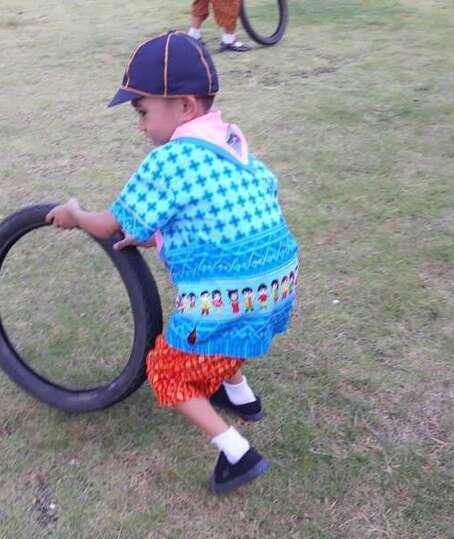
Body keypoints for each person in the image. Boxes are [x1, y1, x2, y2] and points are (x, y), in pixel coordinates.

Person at [46, 31, 298, 494]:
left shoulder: (171, 159)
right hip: (276, 280)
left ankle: (236, 454)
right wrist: (153, 237)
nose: (140, 126)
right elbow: (212, 216)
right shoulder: (232, 143)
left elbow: (106, 224)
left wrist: (74, 214)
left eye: (142, 112)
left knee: (167, 370)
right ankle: (241, 396)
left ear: (184, 106)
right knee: (230, 331)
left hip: (227, 293)